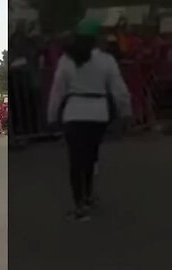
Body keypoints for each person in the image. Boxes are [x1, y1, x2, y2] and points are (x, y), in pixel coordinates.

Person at [47, 18, 132, 222]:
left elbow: (58, 90)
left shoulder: (67, 60)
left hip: (74, 113)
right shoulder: (106, 60)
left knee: (76, 160)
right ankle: (89, 195)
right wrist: (126, 111)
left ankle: (80, 205)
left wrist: (51, 115)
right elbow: (119, 90)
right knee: (91, 156)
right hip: (98, 114)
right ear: (96, 39)